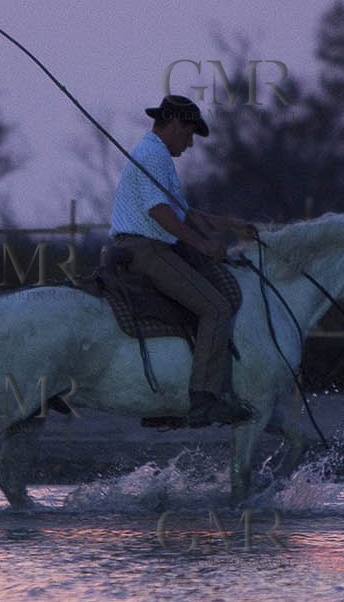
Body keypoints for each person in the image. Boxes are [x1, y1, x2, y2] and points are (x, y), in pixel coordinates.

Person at [110, 94, 258, 427]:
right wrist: (203, 246)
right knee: (217, 308)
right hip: (146, 251)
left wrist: (231, 225)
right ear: (174, 123)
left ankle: (165, 403)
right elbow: (159, 212)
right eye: (189, 133)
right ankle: (203, 400)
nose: (190, 143)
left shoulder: (155, 154)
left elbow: (184, 212)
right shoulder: (153, 154)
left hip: (145, 247)